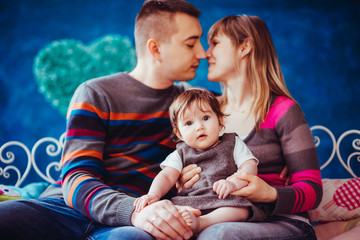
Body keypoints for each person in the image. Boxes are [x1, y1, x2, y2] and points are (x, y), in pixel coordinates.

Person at [0, 1, 206, 240]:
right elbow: (77, 178)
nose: (202, 53)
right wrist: (132, 212)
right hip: (70, 210)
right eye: (191, 43)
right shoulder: (96, 93)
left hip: (132, 225)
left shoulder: (195, 105)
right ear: (155, 49)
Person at [178, 15, 323, 239]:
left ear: (244, 47)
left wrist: (270, 193)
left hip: (278, 220)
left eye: (215, 43)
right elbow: (180, 161)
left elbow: (312, 190)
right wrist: (181, 178)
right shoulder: (204, 115)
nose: (206, 54)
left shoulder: (283, 110)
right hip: (208, 214)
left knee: (219, 235)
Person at [134, 88, 263, 234]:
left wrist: (233, 183)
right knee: (169, 209)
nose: (199, 127)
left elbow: (249, 166)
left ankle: (202, 223)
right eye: (189, 123)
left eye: (205, 118)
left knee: (242, 210)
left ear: (220, 121)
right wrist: (154, 194)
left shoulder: (233, 142)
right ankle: (186, 221)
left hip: (226, 198)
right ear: (179, 133)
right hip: (191, 202)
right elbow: (167, 175)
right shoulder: (180, 153)